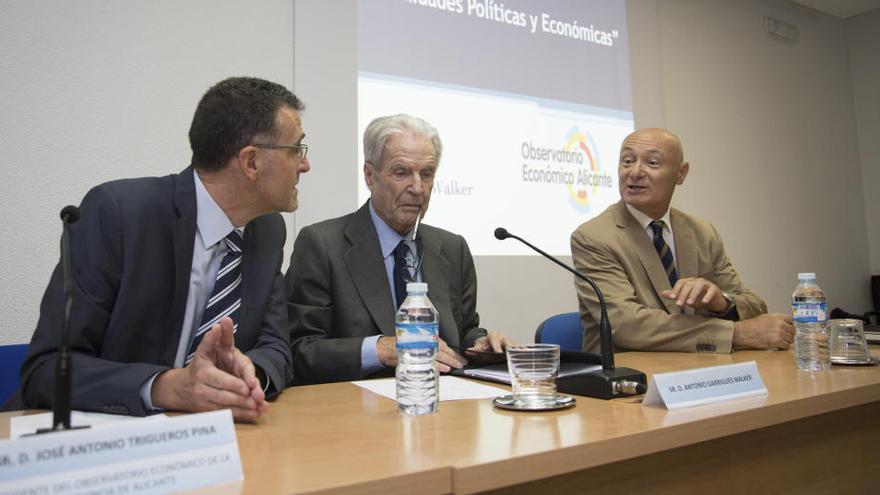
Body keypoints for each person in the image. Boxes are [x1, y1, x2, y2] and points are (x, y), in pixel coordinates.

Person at [16, 77, 310, 421]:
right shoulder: (118, 215)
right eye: (296, 149)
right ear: (251, 162)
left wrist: (246, 376)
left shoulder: (267, 230)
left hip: (212, 437)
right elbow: (46, 370)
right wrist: (167, 387)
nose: (304, 165)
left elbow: (276, 348)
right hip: (101, 443)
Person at [285, 114, 510, 385]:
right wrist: (382, 350)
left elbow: (464, 332)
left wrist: (482, 344)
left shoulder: (452, 248)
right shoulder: (322, 245)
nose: (417, 188)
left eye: (426, 174)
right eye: (401, 172)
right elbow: (301, 350)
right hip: (358, 410)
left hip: (442, 403)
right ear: (370, 176)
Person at [570, 128, 793, 354]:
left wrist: (721, 303)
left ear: (681, 173)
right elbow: (626, 325)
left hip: (697, 371)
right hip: (630, 375)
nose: (635, 172)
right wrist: (736, 334)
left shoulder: (702, 232)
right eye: (627, 161)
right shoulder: (594, 237)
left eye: (652, 163)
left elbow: (754, 306)